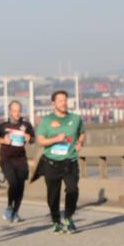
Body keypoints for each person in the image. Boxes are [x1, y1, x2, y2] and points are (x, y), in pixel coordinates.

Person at [34, 90, 85, 234]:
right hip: (51, 163)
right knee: (53, 196)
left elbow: (82, 133)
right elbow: (40, 140)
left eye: (65, 100)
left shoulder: (75, 119)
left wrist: (80, 142)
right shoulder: (47, 121)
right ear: (53, 103)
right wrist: (56, 139)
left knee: (73, 189)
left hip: (70, 161)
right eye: (60, 100)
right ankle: (56, 221)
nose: (63, 103)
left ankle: (68, 217)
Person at [0, 100, 35, 223]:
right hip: (6, 159)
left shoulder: (26, 125)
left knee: (21, 187)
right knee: (13, 183)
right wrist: (3, 141)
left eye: (19, 111)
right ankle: (9, 206)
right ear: (10, 111)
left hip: (21, 159)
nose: (17, 113)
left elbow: (32, 140)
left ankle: (15, 212)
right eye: (14, 111)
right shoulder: (3, 126)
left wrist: (29, 138)